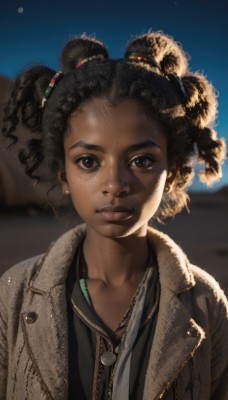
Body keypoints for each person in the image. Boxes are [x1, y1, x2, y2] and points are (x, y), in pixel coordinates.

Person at [0, 31, 227, 400]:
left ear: (170, 171)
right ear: (64, 175)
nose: (115, 184)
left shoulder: (206, 303)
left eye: (141, 161)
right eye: (88, 161)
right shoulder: (13, 293)